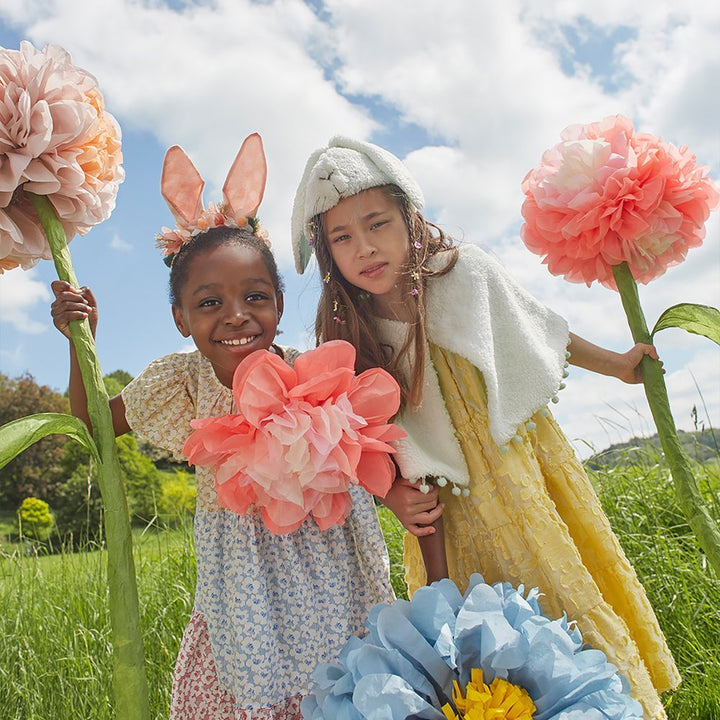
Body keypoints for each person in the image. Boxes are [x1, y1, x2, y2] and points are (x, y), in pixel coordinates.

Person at [290, 136, 681, 719]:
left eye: (377, 224)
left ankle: (604, 704)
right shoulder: (347, 330)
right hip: (451, 504)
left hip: (520, 473)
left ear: (409, 218)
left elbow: (540, 331)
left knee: (555, 579)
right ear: (326, 252)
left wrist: (619, 366)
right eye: (342, 238)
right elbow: (356, 439)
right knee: (473, 626)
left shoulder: (462, 273)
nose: (365, 247)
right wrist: (391, 493)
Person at [50, 135, 394, 719]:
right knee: (252, 689)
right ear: (180, 319)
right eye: (209, 303)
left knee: (346, 687)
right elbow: (90, 425)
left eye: (254, 296)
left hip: (332, 568)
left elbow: (366, 454)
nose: (236, 315)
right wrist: (80, 343)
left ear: (279, 307)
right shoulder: (182, 385)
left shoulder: (312, 373)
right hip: (244, 585)